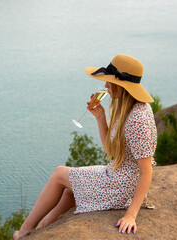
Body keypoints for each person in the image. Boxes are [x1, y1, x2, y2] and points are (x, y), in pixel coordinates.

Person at [13, 54, 157, 239]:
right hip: (117, 175)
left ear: (121, 85)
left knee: (59, 173)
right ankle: (42, 229)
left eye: (109, 82)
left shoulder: (138, 117)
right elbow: (111, 151)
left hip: (121, 186)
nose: (105, 86)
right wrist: (100, 117)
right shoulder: (127, 109)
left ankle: (24, 230)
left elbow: (146, 171)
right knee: (68, 191)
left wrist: (131, 214)